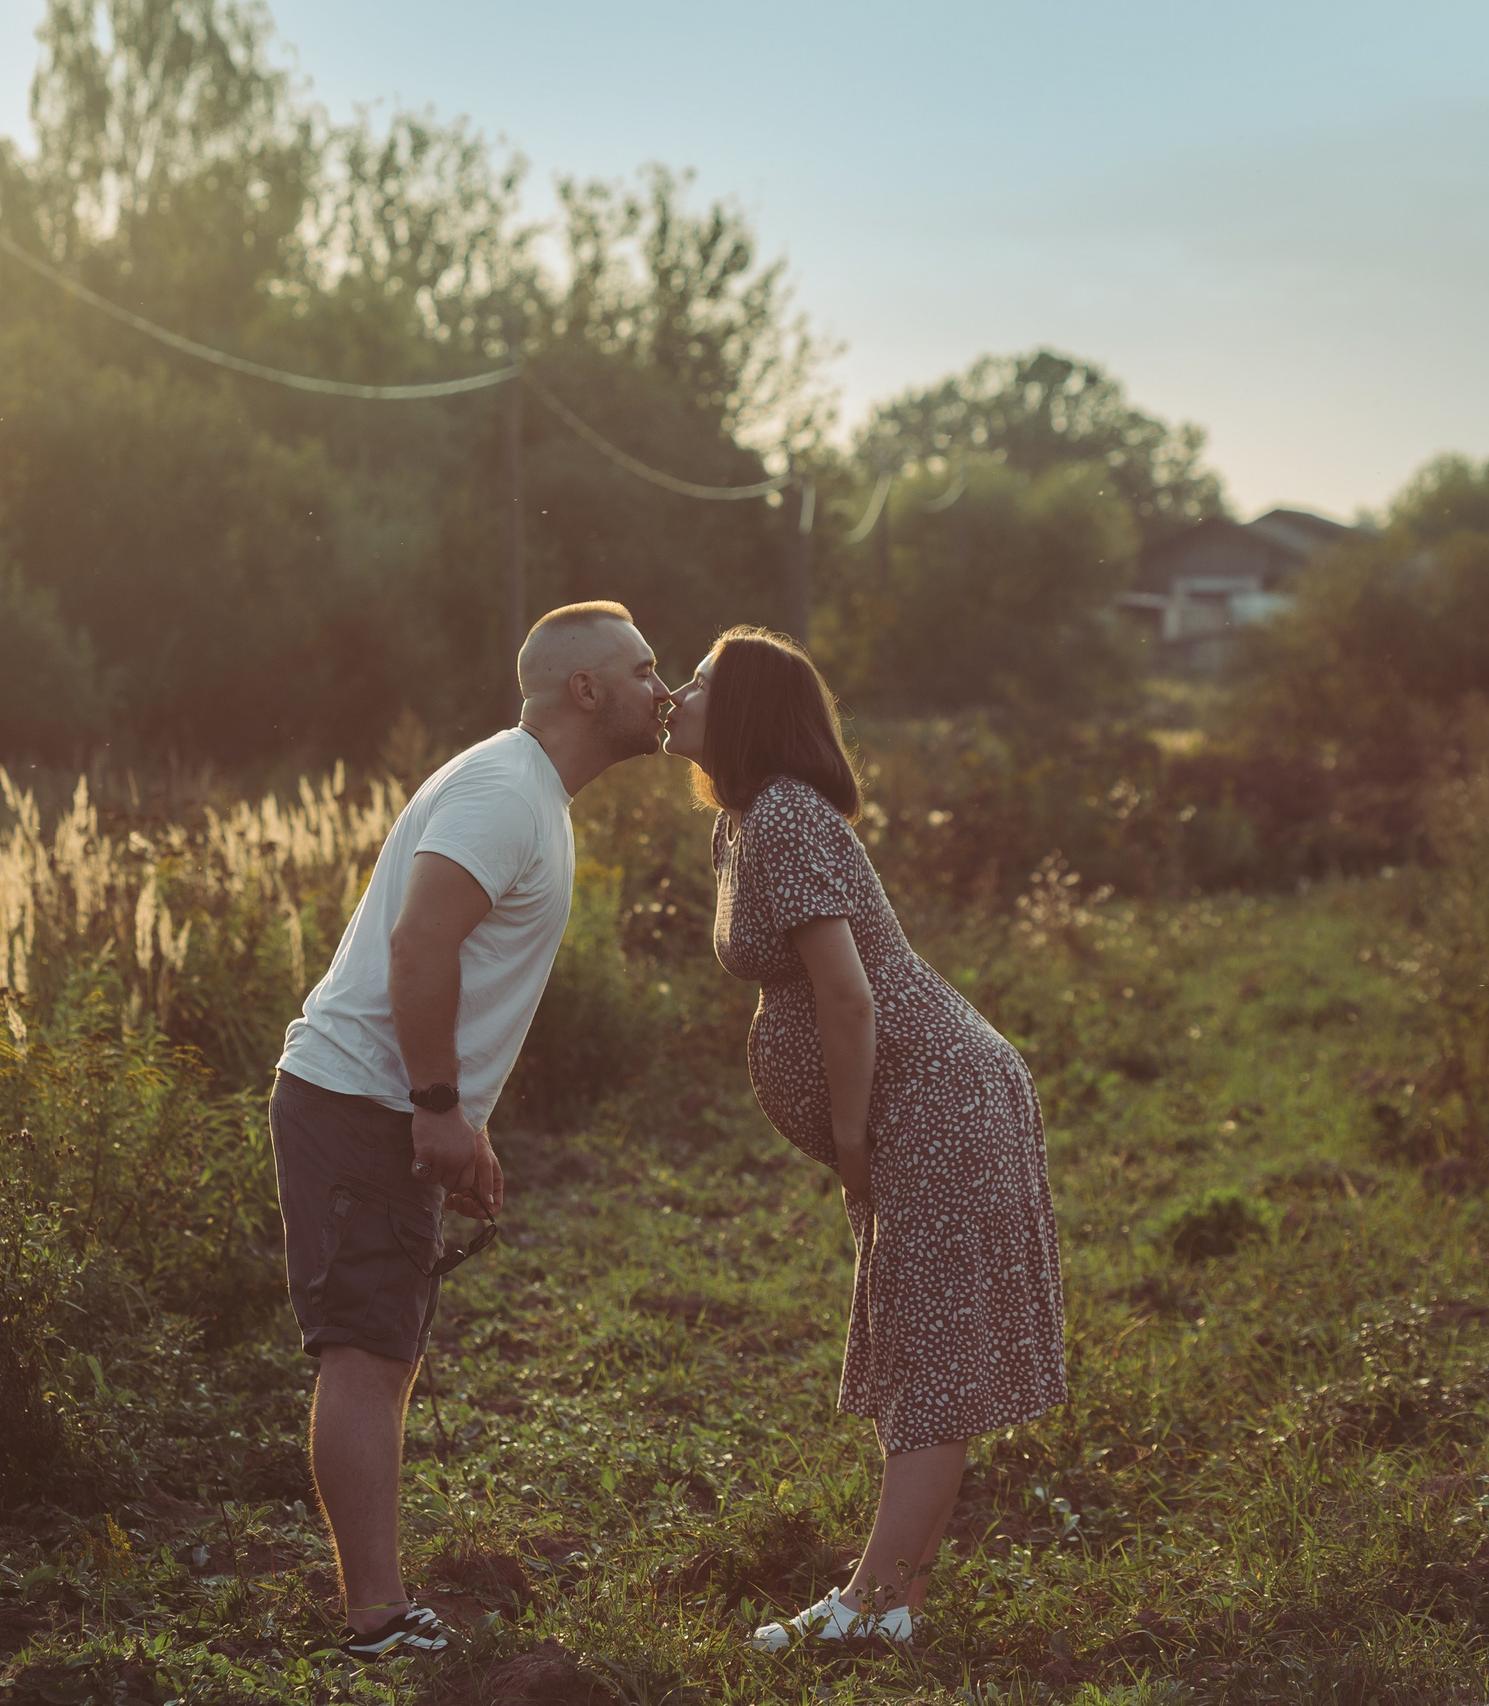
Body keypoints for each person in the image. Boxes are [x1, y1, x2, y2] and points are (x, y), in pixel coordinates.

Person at [269, 602, 670, 1659]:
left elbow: (447, 953)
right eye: (642, 669)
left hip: (376, 1100)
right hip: (361, 1100)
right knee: (363, 1352)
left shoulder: (526, 789)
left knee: (382, 1346)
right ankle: (377, 1620)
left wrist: (462, 1123)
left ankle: (381, 1604)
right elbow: (419, 942)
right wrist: (437, 1107)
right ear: (584, 689)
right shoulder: (504, 787)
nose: (659, 688)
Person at [660, 626, 1068, 1650]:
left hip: (933, 1103)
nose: (676, 689)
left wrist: (850, 1136)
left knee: (928, 1350)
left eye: (700, 680)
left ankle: (866, 1600)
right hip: (924, 1103)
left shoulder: (787, 814)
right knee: (918, 1342)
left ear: (745, 707)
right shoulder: (747, 820)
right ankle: (896, 1608)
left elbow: (846, 998)